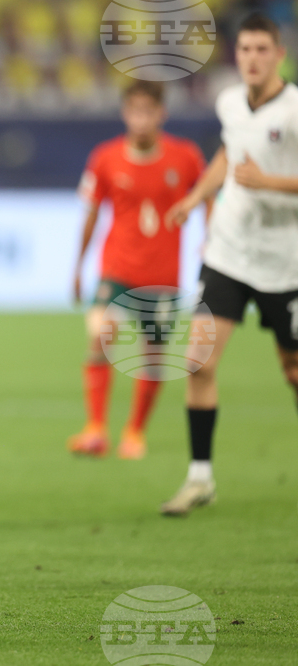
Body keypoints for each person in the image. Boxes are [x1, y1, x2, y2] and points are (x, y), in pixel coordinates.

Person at [161, 13, 298, 516]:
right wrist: (198, 195)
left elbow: (259, 171)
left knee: (293, 371)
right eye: (244, 50)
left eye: (262, 49)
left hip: (287, 261)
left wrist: (272, 183)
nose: (253, 59)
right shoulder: (228, 101)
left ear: (279, 54)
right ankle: (200, 477)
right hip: (229, 252)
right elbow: (229, 151)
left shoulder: (295, 110)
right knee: (198, 360)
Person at [68, 81, 207, 459]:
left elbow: (209, 192)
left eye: (149, 110)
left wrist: (210, 237)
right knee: (100, 334)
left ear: (161, 113)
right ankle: (95, 428)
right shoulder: (105, 157)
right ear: (124, 112)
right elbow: (91, 215)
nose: (141, 119)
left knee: (153, 356)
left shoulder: (186, 157)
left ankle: (135, 432)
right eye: (135, 110)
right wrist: (79, 267)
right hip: (116, 267)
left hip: (162, 274)